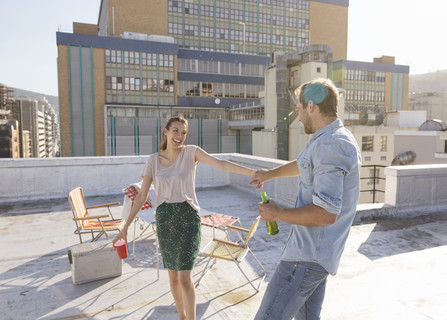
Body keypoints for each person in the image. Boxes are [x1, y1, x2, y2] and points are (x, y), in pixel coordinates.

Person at [112, 116, 255, 320]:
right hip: (165, 221)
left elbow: (221, 163)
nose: (179, 136)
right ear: (166, 132)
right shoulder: (153, 160)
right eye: (175, 131)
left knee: (185, 278)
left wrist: (252, 172)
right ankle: (181, 316)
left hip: (188, 219)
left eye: (183, 132)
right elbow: (142, 195)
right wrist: (125, 227)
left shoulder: (191, 153)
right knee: (173, 278)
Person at [250, 78, 361, 320]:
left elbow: (327, 213)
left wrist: (276, 213)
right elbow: (303, 164)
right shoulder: (330, 139)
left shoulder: (332, 145)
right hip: (315, 258)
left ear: (312, 106)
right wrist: (270, 174)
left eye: (299, 109)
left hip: (305, 260)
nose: (298, 117)